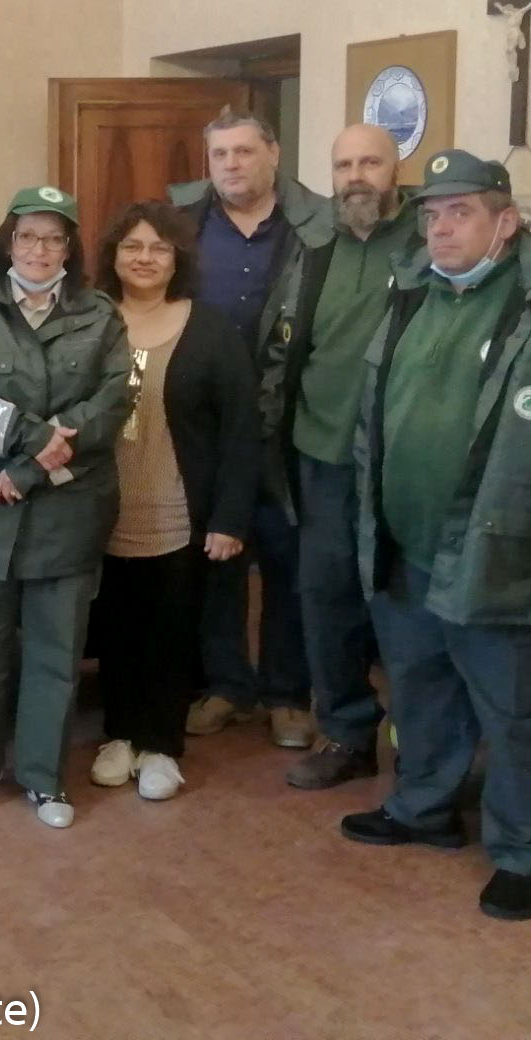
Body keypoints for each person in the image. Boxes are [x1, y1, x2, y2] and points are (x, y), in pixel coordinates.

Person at [342, 149, 531, 921]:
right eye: (432, 215)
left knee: (518, 715)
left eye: (461, 213)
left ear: (505, 222)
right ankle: (422, 807)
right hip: (405, 546)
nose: (441, 230)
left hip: (504, 554)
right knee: (422, 690)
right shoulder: (410, 292)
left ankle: (526, 854)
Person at [0, 186, 132, 826]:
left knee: (54, 654)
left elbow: (114, 400)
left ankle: (44, 779)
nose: (40, 249)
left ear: (70, 246)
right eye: (28, 236)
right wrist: (30, 437)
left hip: (64, 514)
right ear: (7, 243)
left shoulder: (100, 316)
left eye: (54, 237)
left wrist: (31, 469)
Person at [261, 124, 421, 789]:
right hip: (320, 454)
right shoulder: (312, 243)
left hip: (403, 464)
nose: (357, 176)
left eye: (371, 163)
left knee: (406, 609)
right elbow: (281, 342)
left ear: (396, 168)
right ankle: (348, 733)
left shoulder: (426, 242)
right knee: (325, 599)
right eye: (344, 164)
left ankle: (421, 749)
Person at [88, 202, 259, 801]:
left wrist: (231, 517)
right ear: (113, 255)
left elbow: (242, 429)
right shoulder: (87, 320)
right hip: (101, 511)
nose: (144, 258)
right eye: (132, 246)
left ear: (178, 258)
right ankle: (119, 736)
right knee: (114, 628)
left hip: (180, 512)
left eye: (158, 247)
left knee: (170, 630)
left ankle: (161, 746)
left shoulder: (210, 330)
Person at [169, 109, 319, 748]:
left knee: (288, 565)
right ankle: (227, 686)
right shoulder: (184, 226)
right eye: (220, 154)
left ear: (273, 154)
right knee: (216, 561)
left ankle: (287, 695)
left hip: (290, 424)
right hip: (207, 426)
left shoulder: (315, 229)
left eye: (244, 151)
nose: (232, 164)